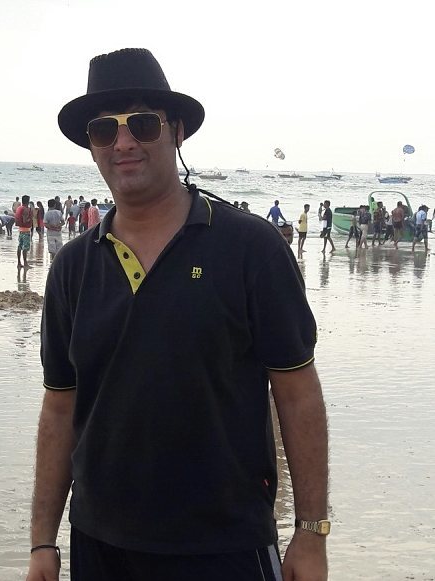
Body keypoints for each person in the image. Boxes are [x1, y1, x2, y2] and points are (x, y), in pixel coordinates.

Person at [29, 48, 329, 581]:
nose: (124, 142)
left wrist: (310, 531)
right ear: (93, 148)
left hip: (226, 544)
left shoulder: (251, 248)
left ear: (178, 132)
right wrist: (42, 543)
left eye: (143, 124)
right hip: (99, 545)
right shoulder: (72, 267)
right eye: (104, 129)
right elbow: (59, 408)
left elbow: (298, 393)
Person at [15, 194, 33, 268]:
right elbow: (25, 221)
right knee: (25, 247)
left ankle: (19, 263)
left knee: (20, 246)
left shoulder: (19, 208)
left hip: (21, 230)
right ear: (28, 201)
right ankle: (25, 263)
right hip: (26, 230)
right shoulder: (25, 209)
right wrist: (31, 218)